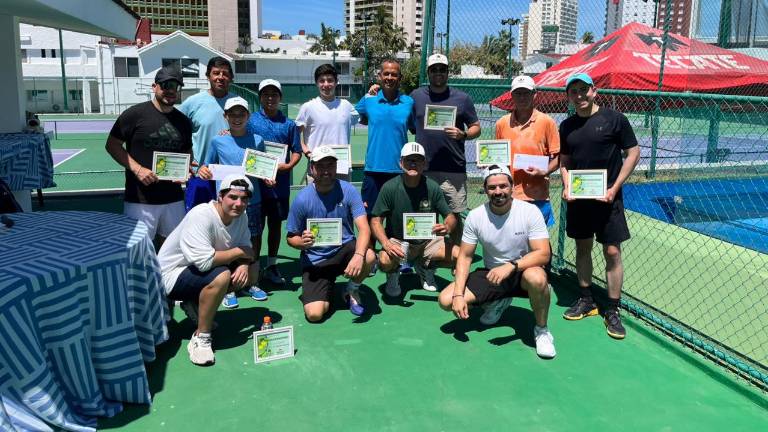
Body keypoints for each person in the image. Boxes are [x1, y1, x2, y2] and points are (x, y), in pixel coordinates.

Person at [437, 165, 556, 359]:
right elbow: (465, 257)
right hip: (492, 274)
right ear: (485, 190)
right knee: (446, 300)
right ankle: (498, 300)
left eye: (503, 186)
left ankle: (542, 330)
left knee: (537, 278)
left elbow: (543, 254)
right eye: (492, 187)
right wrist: (458, 294)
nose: (498, 191)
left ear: (512, 186)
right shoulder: (476, 216)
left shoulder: (530, 212)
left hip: (523, 272)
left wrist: (511, 266)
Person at [559, 73, 640, 340]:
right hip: (580, 202)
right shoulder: (567, 126)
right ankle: (586, 299)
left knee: (612, 251)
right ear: (569, 96)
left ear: (594, 91)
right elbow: (565, 161)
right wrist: (567, 186)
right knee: (582, 247)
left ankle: (613, 309)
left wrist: (614, 188)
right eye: (574, 92)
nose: (579, 95)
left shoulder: (615, 120)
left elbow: (633, 153)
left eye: (584, 90)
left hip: (609, 200)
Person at [157, 174, 259, 366]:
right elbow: (205, 263)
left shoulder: (241, 216)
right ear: (220, 196)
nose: (238, 203)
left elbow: (247, 249)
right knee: (222, 276)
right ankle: (201, 338)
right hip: (170, 275)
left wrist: (244, 264)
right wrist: (240, 253)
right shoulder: (201, 215)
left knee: (252, 271)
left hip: (196, 269)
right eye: (233, 197)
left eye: (244, 199)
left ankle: (193, 304)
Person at [286, 146, 377, 322]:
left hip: (345, 249)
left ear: (336, 167)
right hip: (316, 259)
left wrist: (358, 256)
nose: (326, 171)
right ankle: (326, 288)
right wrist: (301, 242)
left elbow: (364, 228)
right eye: (321, 166)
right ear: (312, 168)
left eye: (330, 165)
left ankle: (352, 289)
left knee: (369, 256)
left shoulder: (349, 190)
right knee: (314, 315)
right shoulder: (302, 199)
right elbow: (291, 237)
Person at [105, 66, 192, 248]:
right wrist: (138, 169)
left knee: (173, 249)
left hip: (174, 198)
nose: (170, 90)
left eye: (175, 87)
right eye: (166, 85)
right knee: (138, 250)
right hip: (140, 199)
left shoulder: (183, 121)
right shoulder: (134, 114)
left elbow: (187, 153)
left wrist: (187, 169)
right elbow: (112, 145)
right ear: (154, 87)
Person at [197, 96, 270, 306]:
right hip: (226, 205)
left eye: (241, 114)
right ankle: (228, 287)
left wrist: (268, 176)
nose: (237, 118)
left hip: (253, 201)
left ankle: (251, 282)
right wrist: (201, 169)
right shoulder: (217, 141)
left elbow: (263, 169)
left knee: (254, 239)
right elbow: (206, 166)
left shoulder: (258, 140)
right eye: (232, 114)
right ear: (225, 116)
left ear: (248, 116)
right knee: (226, 242)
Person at [409, 53, 481, 243]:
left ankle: (458, 255)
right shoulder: (416, 96)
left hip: (453, 169)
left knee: (454, 215)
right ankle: (425, 257)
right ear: (428, 72)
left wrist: (463, 134)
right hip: (424, 169)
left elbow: (476, 128)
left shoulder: (462, 98)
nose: (438, 73)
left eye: (442, 69)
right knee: (424, 214)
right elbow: (409, 124)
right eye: (434, 70)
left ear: (448, 72)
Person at [370, 142, 458, 297]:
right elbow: (376, 220)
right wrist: (385, 243)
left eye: (417, 160)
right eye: (409, 159)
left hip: (427, 242)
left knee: (458, 254)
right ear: (400, 162)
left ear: (424, 163)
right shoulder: (390, 187)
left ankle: (426, 268)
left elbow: (450, 217)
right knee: (384, 260)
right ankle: (393, 273)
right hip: (400, 243)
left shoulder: (432, 187)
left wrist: (447, 227)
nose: (413, 163)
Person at [246, 79, 302, 286]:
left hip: (280, 185)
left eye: (274, 94)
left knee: (276, 226)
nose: (270, 98)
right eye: (266, 94)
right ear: (260, 97)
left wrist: (288, 166)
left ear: (280, 98)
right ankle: (254, 266)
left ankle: (271, 264)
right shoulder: (250, 120)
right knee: (256, 229)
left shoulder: (289, 124)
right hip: (257, 186)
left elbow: (297, 151)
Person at [495, 75, 560, 226]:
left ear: (534, 94)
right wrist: (489, 164)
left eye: (526, 93)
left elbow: (558, 157)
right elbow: (497, 156)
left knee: (540, 243)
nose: (522, 97)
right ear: (512, 95)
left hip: (537, 195)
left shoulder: (547, 122)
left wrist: (544, 171)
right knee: (511, 241)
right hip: (507, 194)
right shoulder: (501, 123)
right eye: (518, 93)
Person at [355, 59, 414, 215]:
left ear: (400, 78)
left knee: (396, 225)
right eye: (386, 73)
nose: (389, 77)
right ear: (380, 76)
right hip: (373, 171)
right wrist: (368, 93)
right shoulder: (369, 100)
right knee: (370, 221)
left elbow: (416, 128)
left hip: (400, 171)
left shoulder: (409, 103)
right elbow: (355, 115)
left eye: (394, 74)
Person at [179, 56, 237, 210]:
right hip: (201, 176)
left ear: (231, 77)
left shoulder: (238, 103)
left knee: (226, 227)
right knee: (196, 223)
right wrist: (188, 160)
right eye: (216, 73)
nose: (220, 77)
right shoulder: (193, 102)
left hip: (229, 176)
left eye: (225, 73)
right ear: (208, 76)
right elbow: (177, 133)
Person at [295, 63, 358, 181]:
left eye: (330, 80)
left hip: (342, 168)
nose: (326, 84)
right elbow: (295, 134)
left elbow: (363, 116)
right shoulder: (308, 107)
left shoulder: (347, 106)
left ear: (336, 82)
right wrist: (306, 151)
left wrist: (371, 95)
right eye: (322, 81)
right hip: (317, 169)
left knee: (343, 199)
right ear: (316, 83)